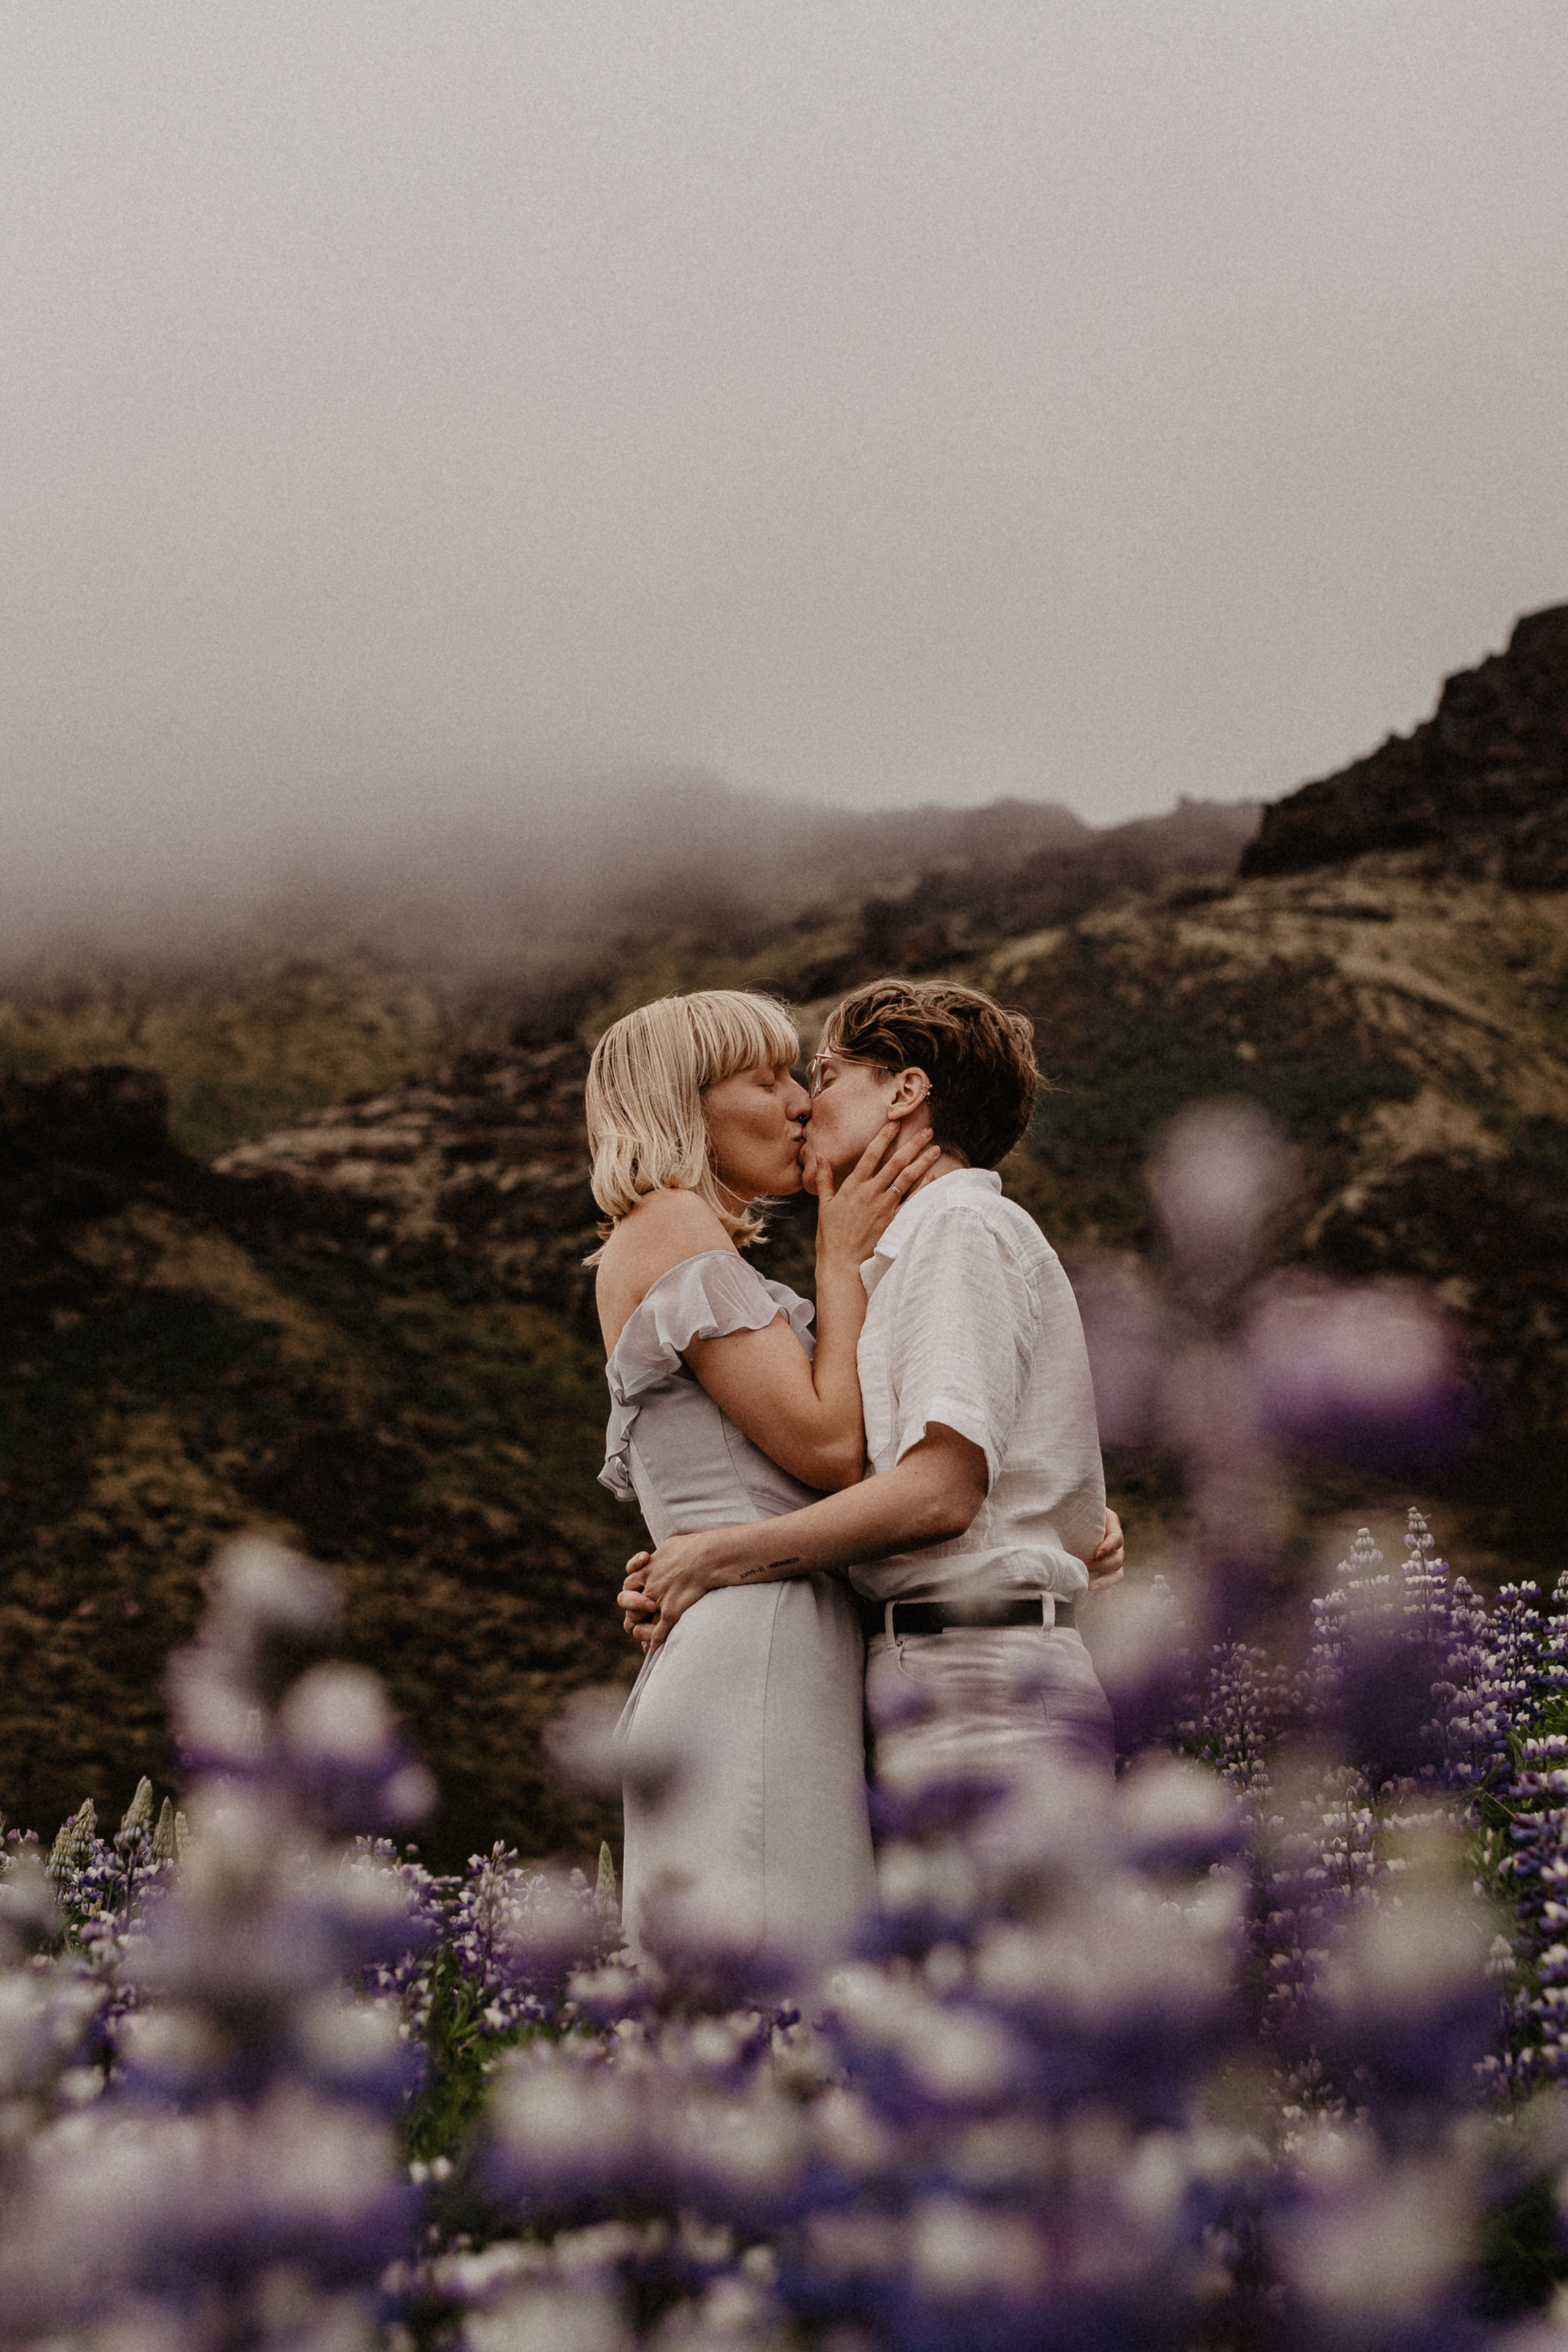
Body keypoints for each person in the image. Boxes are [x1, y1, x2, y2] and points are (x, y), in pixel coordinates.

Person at [619, 977, 1122, 1810]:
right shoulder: (921, 1248)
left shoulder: (958, 1228)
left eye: (822, 1076)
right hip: (932, 1678)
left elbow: (940, 1494)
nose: (806, 1106)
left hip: (983, 1692)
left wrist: (714, 1559)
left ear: (905, 1090)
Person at [586, 986, 939, 1965]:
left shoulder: (691, 1246)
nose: (798, 1104)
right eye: (766, 1078)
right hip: (760, 1650)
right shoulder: (667, 1225)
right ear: (683, 1104)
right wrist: (840, 1248)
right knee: (779, 1989)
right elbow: (828, 1450)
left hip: (770, 1632)